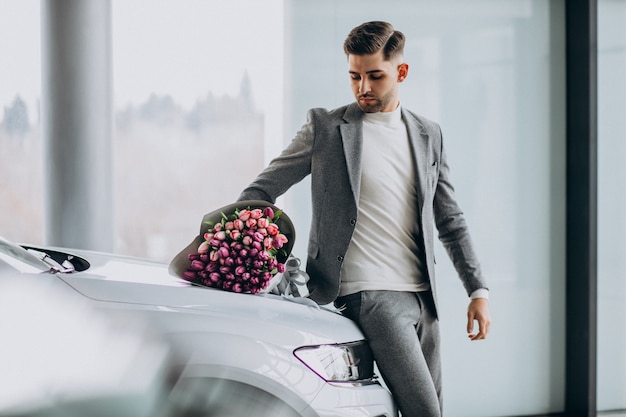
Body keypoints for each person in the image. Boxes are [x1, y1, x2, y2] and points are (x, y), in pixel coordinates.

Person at [238, 20, 491, 417]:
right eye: (354, 76)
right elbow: (259, 192)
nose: (363, 88)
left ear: (401, 72)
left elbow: (450, 218)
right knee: (426, 412)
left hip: (424, 299)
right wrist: (259, 257)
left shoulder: (428, 134)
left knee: (430, 409)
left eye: (375, 76)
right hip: (368, 295)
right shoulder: (327, 128)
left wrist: (478, 291)